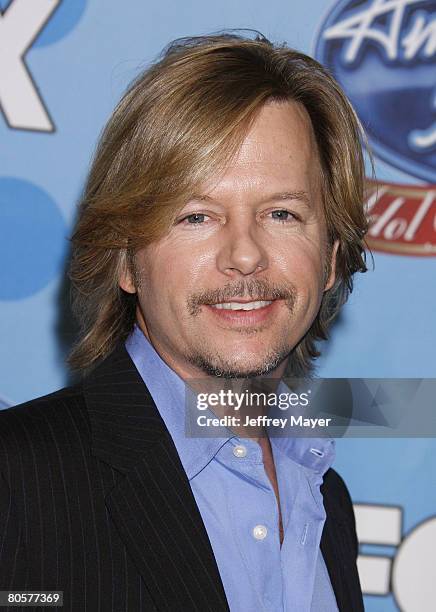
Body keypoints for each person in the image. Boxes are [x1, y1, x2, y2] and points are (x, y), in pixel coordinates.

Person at [0, 32, 368, 611]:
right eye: (196, 216)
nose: (244, 255)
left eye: (281, 212)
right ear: (124, 259)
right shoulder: (18, 481)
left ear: (331, 258)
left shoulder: (326, 498)